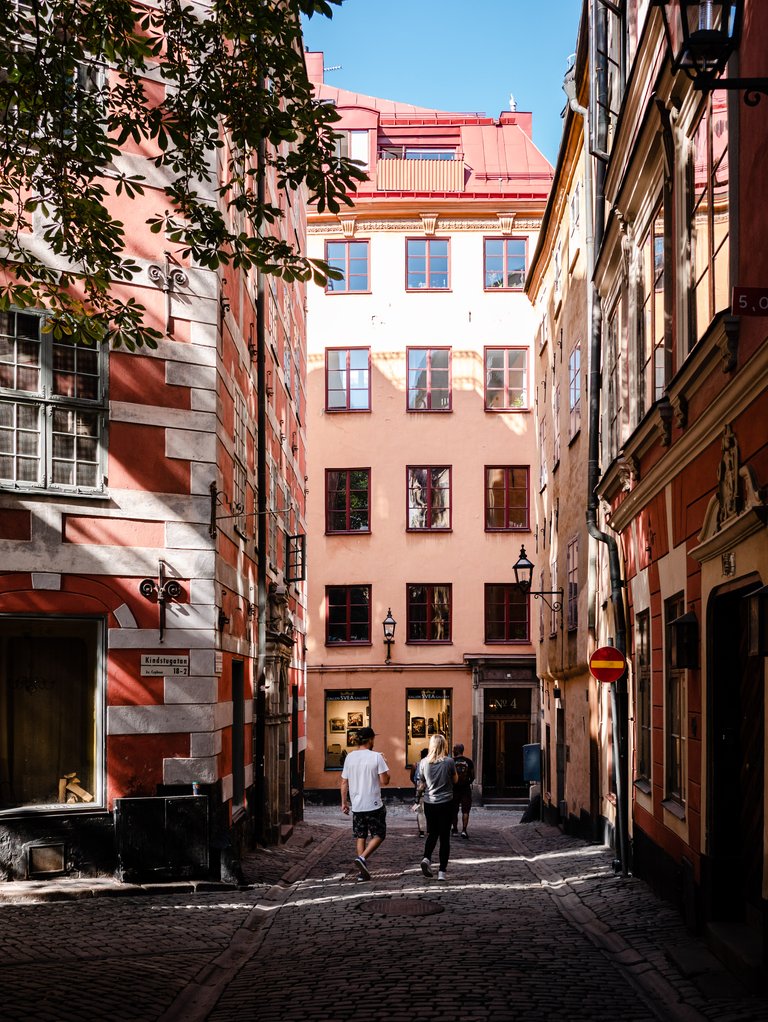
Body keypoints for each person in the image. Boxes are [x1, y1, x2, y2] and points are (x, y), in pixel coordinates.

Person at [340, 726, 390, 880]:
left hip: (357, 804)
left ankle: (362, 872)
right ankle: (362, 858)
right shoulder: (377, 757)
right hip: (374, 804)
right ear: (370, 740)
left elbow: (343, 782)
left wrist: (344, 803)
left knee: (360, 836)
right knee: (379, 834)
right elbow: (385, 781)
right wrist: (385, 764)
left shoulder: (349, 757)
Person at [416, 734, 458, 881]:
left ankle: (426, 858)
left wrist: (417, 798)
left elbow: (421, 783)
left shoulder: (423, 762)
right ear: (444, 745)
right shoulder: (449, 762)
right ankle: (442, 872)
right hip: (446, 802)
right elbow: (455, 779)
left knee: (432, 833)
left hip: (429, 802)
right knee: (445, 837)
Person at [451, 742, 475, 839]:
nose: (452, 750)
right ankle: (464, 830)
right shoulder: (469, 761)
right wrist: (468, 782)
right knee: (466, 811)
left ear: (457, 750)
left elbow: (449, 775)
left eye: (453, 749)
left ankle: (455, 829)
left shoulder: (451, 761)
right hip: (465, 789)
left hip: (454, 789)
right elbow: (473, 776)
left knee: (454, 810)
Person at [409, 748, 428, 837]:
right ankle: (430, 829)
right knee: (429, 810)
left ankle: (421, 831)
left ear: (421, 755)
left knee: (420, 811)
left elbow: (411, 777)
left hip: (419, 789)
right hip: (430, 790)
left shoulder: (415, 765)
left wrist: (417, 785)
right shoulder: (431, 765)